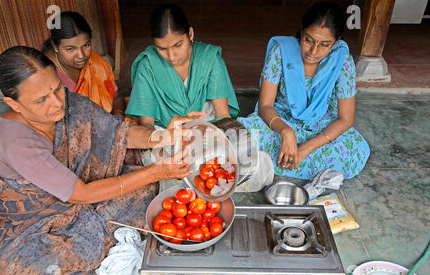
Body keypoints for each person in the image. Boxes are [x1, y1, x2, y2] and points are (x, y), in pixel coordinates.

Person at [0, 46, 201, 275]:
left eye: (56, 90)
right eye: (41, 100)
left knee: (143, 183)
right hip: (41, 223)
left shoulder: (71, 103)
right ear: (13, 103)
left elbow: (119, 133)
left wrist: (163, 135)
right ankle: (111, 244)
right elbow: (80, 193)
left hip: (89, 197)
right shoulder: (16, 141)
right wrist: (156, 172)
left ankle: (106, 244)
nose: (56, 103)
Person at [238, 1, 370, 180]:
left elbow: (345, 119)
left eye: (324, 44)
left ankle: (281, 161)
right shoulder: (281, 52)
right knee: (242, 138)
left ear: (336, 42)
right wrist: (286, 132)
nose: (313, 52)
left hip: (321, 125)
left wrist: (306, 148)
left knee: (352, 150)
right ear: (301, 32)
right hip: (281, 118)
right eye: (308, 40)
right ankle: (293, 160)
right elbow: (265, 106)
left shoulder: (342, 62)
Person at [125, 3, 240, 129]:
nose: (172, 56)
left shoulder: (209, 59)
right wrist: (169, 138)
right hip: (165, 130)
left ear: (190, 34)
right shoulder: (147, 67)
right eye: (162, 49)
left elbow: (223, 115)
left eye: (178, 45)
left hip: (207, 127)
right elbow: (147, 126)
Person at [42, 11, 127, 120]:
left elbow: (116, 98)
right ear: (55, 46)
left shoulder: (96, 63)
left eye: (86, 45)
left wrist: (118, 113)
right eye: (70, 49)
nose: (81, 55)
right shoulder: (45, 74)